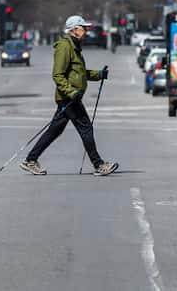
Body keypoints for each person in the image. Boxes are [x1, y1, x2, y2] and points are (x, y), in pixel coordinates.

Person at [20, 15, 119, 176]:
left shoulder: (75, 46)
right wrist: (71, 92)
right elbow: (57, 74)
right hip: (69, 97)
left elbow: (78, 73)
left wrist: (98, 74)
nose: (86, 31)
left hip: (71, 97)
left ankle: (30, 160)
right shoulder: (65, 47)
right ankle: (99, 164)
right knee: (85, 128)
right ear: (74, 30)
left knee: (54, 130)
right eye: (83, 28)